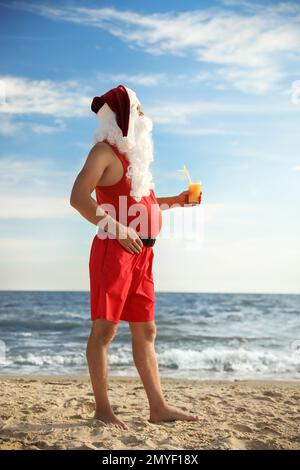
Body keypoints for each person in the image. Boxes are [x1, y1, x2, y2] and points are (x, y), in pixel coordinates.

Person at [70, 85, 201, 429]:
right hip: (114, 251)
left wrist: (176, 200)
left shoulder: (137, 161)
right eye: (138, 110)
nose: (144, 117)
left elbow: (145, 205)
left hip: (143, 255)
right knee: (105, 331)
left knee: (146, 331)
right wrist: (116, 227)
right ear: (122, 116)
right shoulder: (103, 152)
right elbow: (78, 197)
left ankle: (157, 407)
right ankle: (102, 409)